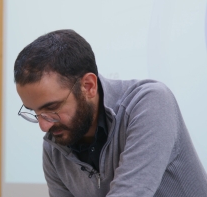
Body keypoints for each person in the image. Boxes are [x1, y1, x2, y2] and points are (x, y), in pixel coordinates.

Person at [13, 29, 207, 197]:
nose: (43, 126)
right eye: (35, 112)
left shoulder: (150, 102)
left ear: (88, 86)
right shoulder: (55, 147)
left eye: (52, 108)